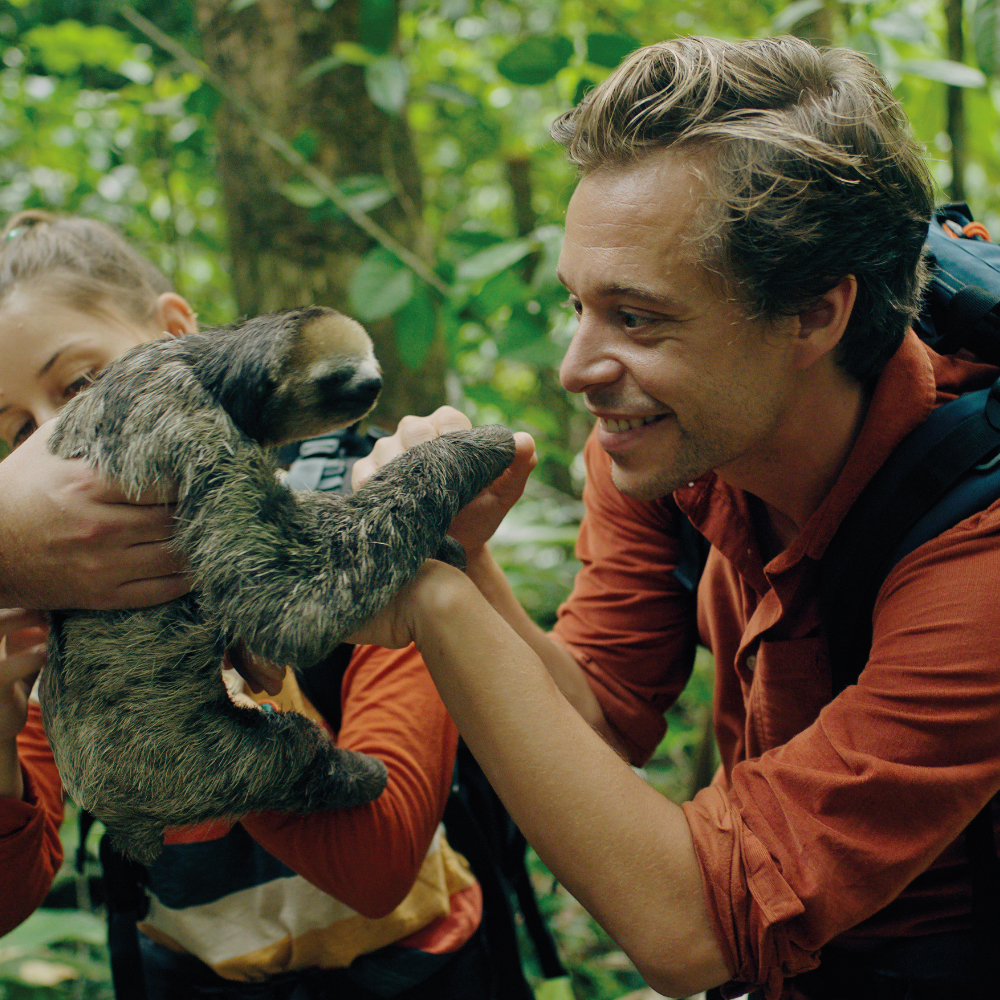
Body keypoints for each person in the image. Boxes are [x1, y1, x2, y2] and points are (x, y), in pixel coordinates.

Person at [342, 35, 1000, 1000]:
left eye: (637, 318)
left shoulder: (977, 554)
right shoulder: (670, 442)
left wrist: (437, 603)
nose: (576, 369)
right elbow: (601, 719)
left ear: (814, 317)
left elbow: (695, 931)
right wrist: (452, 551)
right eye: (577, 306)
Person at [0, 210, 490, 1000]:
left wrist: (219, 657)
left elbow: (378, 866)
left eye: (82, 385)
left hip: (419, 970)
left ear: (175, 335)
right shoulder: (54, 607)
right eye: (17, 432)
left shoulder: (355, 509)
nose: (54, 446)